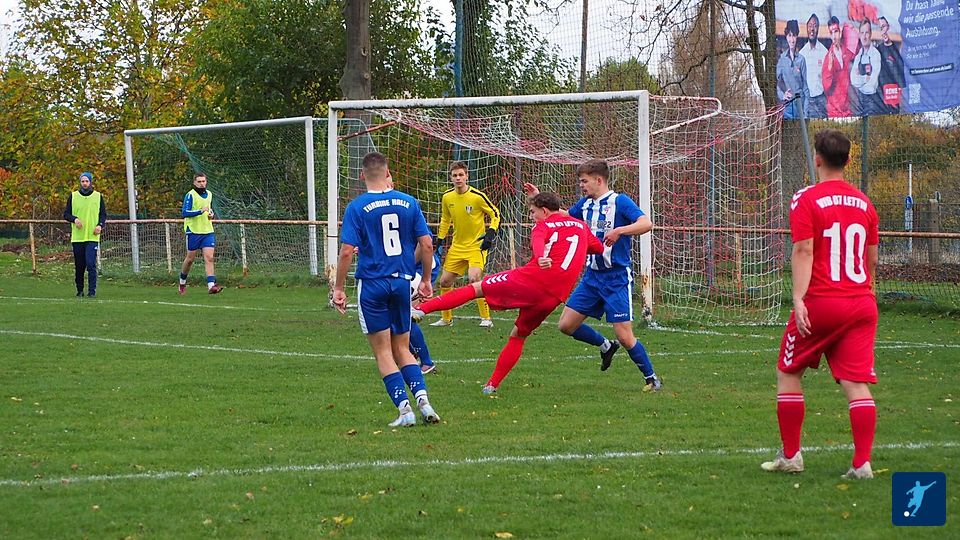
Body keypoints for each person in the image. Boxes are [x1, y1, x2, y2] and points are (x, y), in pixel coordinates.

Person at [761, 129, 880, 480]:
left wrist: (799, 298)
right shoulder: (865, 203)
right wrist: (866, 290)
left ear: (817, 159)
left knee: (788, 372)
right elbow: (872, 258)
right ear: (848, 160)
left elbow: (803, 249)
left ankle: (791, 456)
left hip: (823, 302)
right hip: (861, 302)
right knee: (856, 383)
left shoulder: (806, 198)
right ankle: (862, 464)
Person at [413, 192, 604, 394]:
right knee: (518, 335)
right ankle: (491, 385)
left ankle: (421, 309)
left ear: (544, 211)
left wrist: (540, 257)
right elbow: (598, 248)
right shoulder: (581, 226)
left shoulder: (543, 225)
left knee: (476, 288)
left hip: (532, 279)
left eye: (533, 212)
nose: (531, 217)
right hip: (553, 297)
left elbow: (538, 241)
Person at [524, 160, 662, 391]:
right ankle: (606, 345)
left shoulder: (620, 201)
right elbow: (564, 216)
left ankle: (652, 378)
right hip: (592, 278)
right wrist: (539, 199)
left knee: (625, 336)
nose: (581, 185)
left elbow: (646, 223)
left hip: (616, 279)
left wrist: (620, 230)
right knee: (566, 325)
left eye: (584, 181)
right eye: (580, 181)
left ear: (599, 180)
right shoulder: (585, 204)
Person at [332, 151, 440, 427]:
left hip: (372, 284)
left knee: (383, 351)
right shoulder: (409, 202)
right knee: (403, 348)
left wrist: (339, 287)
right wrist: (426, 279)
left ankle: (405, 411)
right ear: (388, 172)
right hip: (401, 282)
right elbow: (427, 244)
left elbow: (347, 251)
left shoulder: (357, 207)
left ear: (362, 176)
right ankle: (424, 402)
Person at [431, 161, 501, 328]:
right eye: (455, 175)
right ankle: (446, 319)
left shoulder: (477, 196)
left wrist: (490, 233)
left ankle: (486, 318)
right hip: (457, 247)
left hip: (476, 246)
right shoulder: (447, 197)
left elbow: (495, 213)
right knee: (444, 282)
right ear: (451, 178)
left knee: (474, 278)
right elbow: (445, 219)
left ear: (466, 176)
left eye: (461, 175)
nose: (458, 178)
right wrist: (440, 240)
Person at [63, 172, 106, 298]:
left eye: (87, 181)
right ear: (80, 182)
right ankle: (80, 290)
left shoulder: (98, 196)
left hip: (92, 236)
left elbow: (103, 214)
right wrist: (74, 219)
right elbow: (66, 214)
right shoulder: (73, 196)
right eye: (83, 181)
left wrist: (100, 225)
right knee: (80, 265)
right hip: (78, 237)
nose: (85, 183)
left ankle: (92, 291)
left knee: (91, 263)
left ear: (90, 182)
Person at [178, 173, 223, 295]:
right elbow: (185, 213)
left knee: (209, 257)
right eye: (199, 181)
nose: (202, 183)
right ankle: (182, 282)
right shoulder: (190, 195)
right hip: (194, 231)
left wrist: (211, 215)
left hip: (207, 231)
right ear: (194, 182)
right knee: (190, 260)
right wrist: (200, 211)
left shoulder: (209, 194)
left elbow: (209, 210)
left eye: (203, 181)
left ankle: (211, 286)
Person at [410, 248, 441, 374]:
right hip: (403, 267)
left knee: (404, 315)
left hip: (420, 268)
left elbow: (425, 245)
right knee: (392, 314)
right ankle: (410, 352)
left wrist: (408, 266)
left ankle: (426, 362)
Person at [822, 17, 855, 118]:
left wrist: (849, 28)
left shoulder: (847, 52)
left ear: (840, 32)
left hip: (847, 109)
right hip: (834, 111)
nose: (834, 36)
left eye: (836, 31)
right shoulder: (828, 58)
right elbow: (826, 86)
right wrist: (830, 68)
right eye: (831, 33)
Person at [850, 19, 883, 116]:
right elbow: (853, 81)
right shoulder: (858, 56)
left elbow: (872, 85)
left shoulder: (875, 54)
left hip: (873, 102)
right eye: (862, 33)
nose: (864, 37)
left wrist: (860, 78)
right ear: (859, 35)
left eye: (867, 33)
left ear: (871, 34)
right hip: (860, 102)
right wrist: (865, 79)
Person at [776, 20, 809, 119]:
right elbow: (775, 82)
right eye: (789, 35)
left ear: (797, 36)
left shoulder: (801, 59)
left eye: (794, 35)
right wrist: (782, 95)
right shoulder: (782, 59)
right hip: (788, 106)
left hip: (800, 104)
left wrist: (806, 112)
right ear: (786, 36)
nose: (792, 39)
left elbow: (805, 86)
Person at [799, 14, 828, 118]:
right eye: (810, 26)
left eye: (815, 26)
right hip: (807, 100)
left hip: (822, 99)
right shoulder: (802, 54)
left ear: (818, 28)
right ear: (807, 28)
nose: (812, 29)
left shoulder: (824, 52)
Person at [876, 16, 905, 114]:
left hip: (899, 93)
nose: (883, 31)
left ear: (888, 26)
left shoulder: (899, 44)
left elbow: (901, 66)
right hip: (885, 94)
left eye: (884, 26)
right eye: (880, 28)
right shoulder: (878, 49)